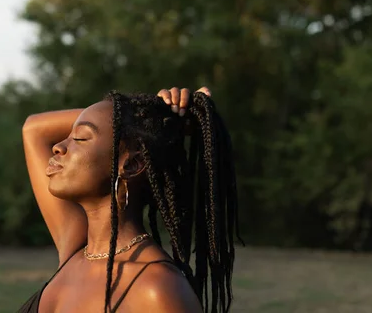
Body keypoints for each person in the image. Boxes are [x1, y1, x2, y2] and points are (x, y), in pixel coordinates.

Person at [18, 87, 241, 313]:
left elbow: (35, 130)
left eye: (80, 137)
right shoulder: (76, 249)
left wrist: (144, 121)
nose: (59, 146)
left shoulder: (157, 288)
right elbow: (34, 129)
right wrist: (158, 112)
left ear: (131, 165)